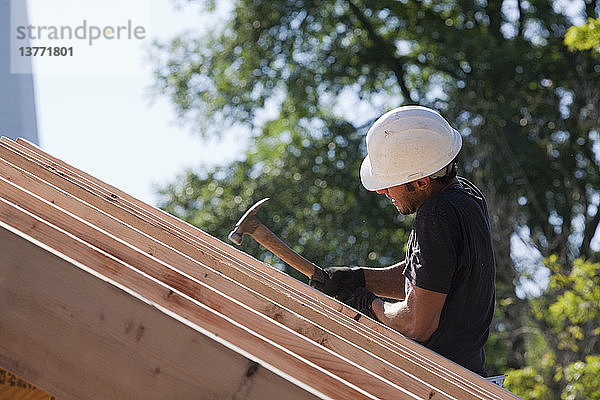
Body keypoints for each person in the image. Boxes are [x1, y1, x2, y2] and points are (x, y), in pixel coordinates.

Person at [310, 105, 496, 376]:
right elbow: (429, 281)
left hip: (434, 381)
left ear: (421, 182)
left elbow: (417, 323)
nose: (383, 190)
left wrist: (367, 304)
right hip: (467, 373)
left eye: (390, 181)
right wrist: (360, 278)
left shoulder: (436, 213)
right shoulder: (467, 196)